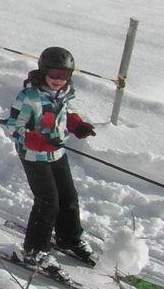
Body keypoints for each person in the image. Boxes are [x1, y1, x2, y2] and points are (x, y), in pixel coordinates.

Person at [6, 46, 97, 273]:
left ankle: (69, 237)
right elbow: (14, 127)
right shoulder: (28, 97)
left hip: (57, 152)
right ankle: (34, 250)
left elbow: (63, 116)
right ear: (43, 72)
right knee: (48, 202)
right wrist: (34, 140)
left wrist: (77, 125)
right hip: (34, 155)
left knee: (68, 197)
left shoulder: (63, 94)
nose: (59, 80)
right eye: (55, 75)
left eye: (64, 76)